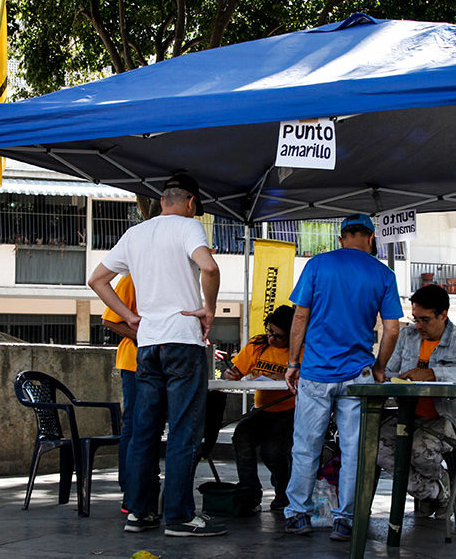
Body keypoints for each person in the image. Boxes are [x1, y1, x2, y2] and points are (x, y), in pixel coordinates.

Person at [88, 173, 225, 537]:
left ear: (163, 199)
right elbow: (209, 267)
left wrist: (131, 315)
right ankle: (179, 517)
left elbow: (96, 279)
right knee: (183, 431)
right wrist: (208, 308)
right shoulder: (188, 228)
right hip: (183, 340)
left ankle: (139, 512)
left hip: (147, 344)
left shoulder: (135, 233)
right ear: (191, 203)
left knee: (144, 433)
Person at [283, 213, 401, 542]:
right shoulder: (383, 273)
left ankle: (297, 514)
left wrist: (293, 361)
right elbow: (392, 328)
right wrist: (379, 367)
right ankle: (345, 520)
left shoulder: (318, 265)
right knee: (354, 451)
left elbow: (300, 315)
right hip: (359, 376)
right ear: (371, 239)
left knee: (306, 447)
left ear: (341, 238)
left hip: (317, 372)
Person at [376, 284, 456, 515]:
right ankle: (435, 491)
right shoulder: (407, 337)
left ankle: (433, 492)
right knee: (373, 446)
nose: (418, 326)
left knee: (419, 449)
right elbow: (388, 372)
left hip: (447, 419)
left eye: (425, 320)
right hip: (407, 415)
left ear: (443, 315)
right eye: (415, 319)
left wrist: (435, 373)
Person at [221, 305, 298, 512]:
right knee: (242, 435)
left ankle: (283, 491)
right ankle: (249, 492)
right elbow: (237, 369)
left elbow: (307, 378)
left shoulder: (300, 349)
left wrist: (284, 377)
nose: (272, 338)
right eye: (269, 331)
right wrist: (232, 374)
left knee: (273, 451)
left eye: (279, 336)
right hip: (262, 408)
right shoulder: (258, 344)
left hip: (288, 411)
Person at [100, 274, 141, 513]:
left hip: (162, 362)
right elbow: (110, 321)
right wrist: (145, 337)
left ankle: (145, 485)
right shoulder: (131, 279)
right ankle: (129, 490)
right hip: (134, 363)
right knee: (134, 425)